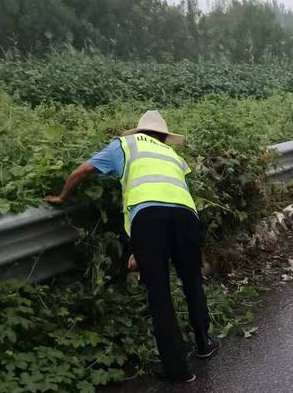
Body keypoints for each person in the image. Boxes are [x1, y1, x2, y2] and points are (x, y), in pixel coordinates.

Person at [45, 110, 219, 383]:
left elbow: (84, 170)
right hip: (187, 216)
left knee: (159, 291)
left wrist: (61, 196)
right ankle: (204, 344)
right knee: (192, 281)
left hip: (148, 219)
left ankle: (177, 370)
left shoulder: (124, 145)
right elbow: (174, 194)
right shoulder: (174, 156)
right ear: (163, 136)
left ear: (137, 132)